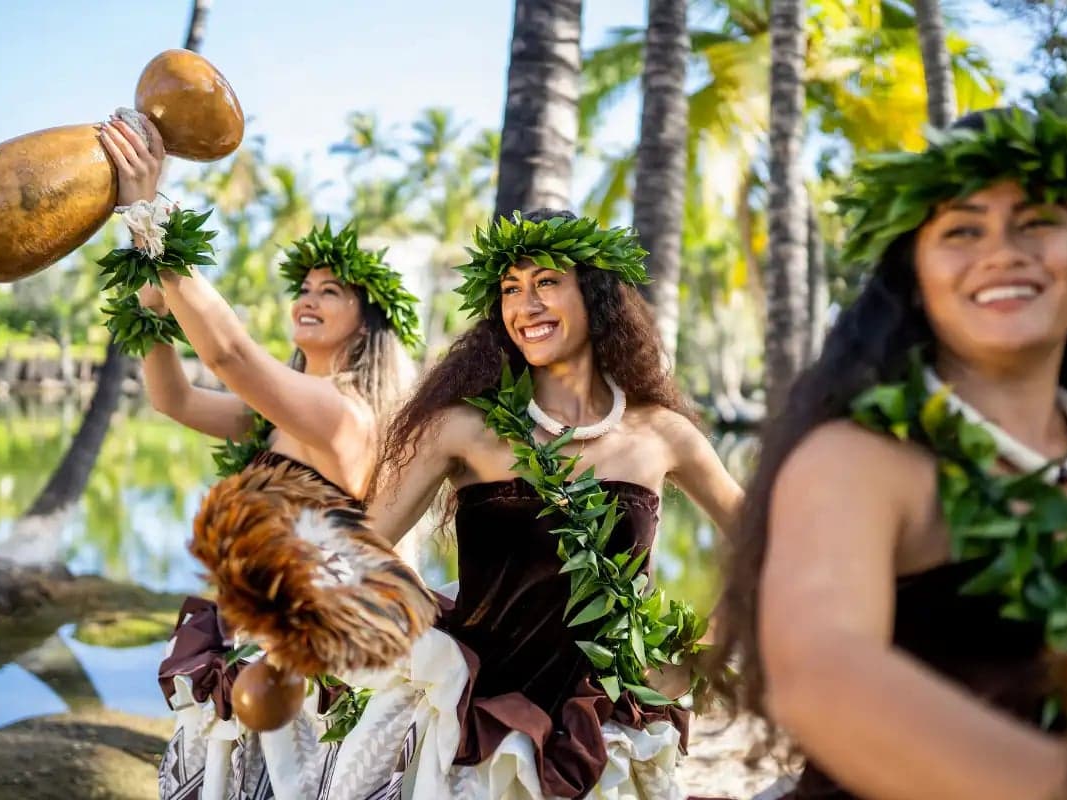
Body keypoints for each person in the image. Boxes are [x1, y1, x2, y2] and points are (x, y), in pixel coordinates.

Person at [711, 107, 1067, 800]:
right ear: (915, 276)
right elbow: (818, 672)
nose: (1004, 250)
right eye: (962, 229)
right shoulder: (858, 460)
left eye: (1039, 219)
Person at [247, 208, 744, 799]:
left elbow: (767, 538)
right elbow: (362, 543)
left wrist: (705, 646)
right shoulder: (461, 428)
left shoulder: (661, 432)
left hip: (608, 722)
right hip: (484, 724)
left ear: (596, 292)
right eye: (510, 288)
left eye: (546, 283)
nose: (525, 305)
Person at [96, 114, 432, 800]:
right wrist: (151, 303)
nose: (307, 298)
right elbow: (175, 400)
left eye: (330, 290)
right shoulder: (279, 413)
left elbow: (228, 353)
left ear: (368, 321)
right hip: (255, 644)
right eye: (303, 288)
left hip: (308, 662)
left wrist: (150, 213)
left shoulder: (341, 410)